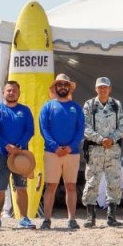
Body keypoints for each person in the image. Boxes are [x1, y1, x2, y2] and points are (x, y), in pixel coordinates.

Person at [39, 73, 85, 230]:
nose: (63, 87)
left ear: (70, 88)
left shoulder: (76, 108)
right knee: (50, 186)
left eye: (66, 85)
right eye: (60, 84)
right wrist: (54, 147)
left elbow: (80, 130)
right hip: (52, 153)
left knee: (71, 186)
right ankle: (47, 219)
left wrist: (71, 146)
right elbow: (44, 129)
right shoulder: (47, 107)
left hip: (72, 153)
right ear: (55, 87)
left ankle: (72, 219)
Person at [81, 77, 123, 228]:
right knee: (92, 181)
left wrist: (111, 139)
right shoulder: (89, 105)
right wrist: (101, 139)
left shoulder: (116, 105)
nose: (103, 90)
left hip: (112, 150)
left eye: (105, 87)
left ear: (110, 89)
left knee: (114, 182)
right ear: (96, 89)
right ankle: (90, 216)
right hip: (95, 149)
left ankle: (112, 216)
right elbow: (85, 127)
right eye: (100, 87)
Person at [0, 80, 35, 229]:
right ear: (3, 93)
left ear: (19, 92)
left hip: (20, 156)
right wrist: (6, 145)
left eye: (14, 90)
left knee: (21, 187)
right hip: (1, 155)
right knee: (0, 188)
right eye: (8, 90)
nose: (11, 93)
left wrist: (19, 146)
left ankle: (23, 218)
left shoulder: (25, 111)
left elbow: (30, 130)